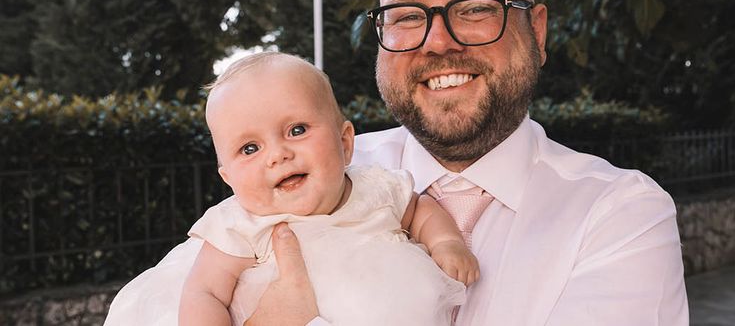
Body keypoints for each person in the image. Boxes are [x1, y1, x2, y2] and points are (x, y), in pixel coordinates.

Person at [246, 0, 689, 326]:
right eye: (407, 16)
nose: (437, 42)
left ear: (536, 31)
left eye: (475, 8)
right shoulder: (303, 178)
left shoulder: (620, 214)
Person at [104, 51, 473, 326]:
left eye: (297, 130)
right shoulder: (240, 224)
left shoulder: (375, 188)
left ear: (345, 143)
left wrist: (446, 243)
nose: (278, 155)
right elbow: (205, 291)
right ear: (228, 179)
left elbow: (421, 210)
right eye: (250, 149)